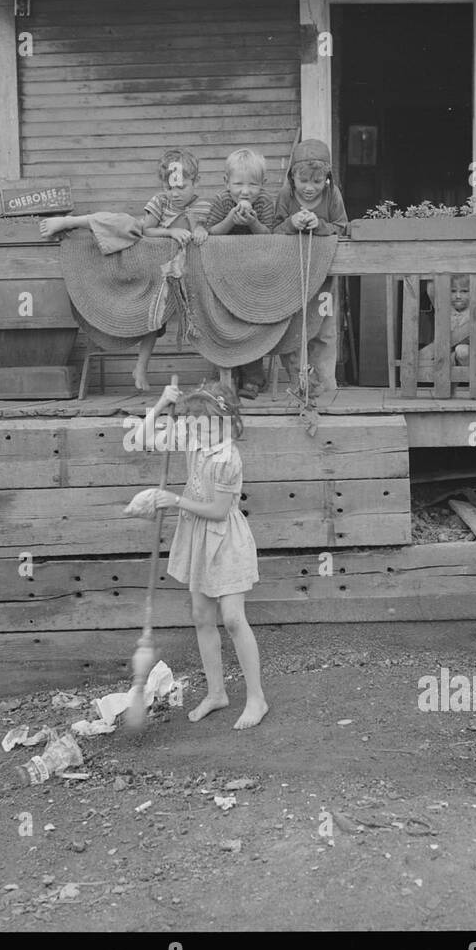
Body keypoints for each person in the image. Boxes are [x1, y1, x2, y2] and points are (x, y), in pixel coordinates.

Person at [138, 379, 268, 729]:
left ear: (226, 422)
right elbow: (143, 439)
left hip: (225, 539)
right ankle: (216, 693)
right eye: (195, 422)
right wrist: (161, 402)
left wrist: (175, 500)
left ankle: (256, 698)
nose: (200, 428)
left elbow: (218, 510)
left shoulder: (228, 458)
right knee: (200, 615)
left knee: (233, 618)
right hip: (196, 537)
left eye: (208, 422)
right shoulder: (195, 438)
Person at [39, 149, 210, 390]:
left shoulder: (201, 206)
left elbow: (201, 231)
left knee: (156, 316)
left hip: (174, 274)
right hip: (145, 258)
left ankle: (141, 367)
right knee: (125, 222)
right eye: (170, 187)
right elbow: (145, 231)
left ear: (196, 182)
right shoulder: (161, 201)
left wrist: (201, 230)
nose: (175, 193)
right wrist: (170, 232)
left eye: (182, 187)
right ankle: (71, 221)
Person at [194, 148, 277, 399]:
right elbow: (213, 233)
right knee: (222, 324)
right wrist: (231, 218)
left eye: (253, 184)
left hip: (253, 272)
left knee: (251, 324)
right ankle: (224, 377)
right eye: (238, 184)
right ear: (226, 182)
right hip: (224, 273)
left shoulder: (264, 202)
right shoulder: (221, 201)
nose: (245, 191)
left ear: (263, 184)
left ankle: (253, 378)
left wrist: (252, 222)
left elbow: (269, 236)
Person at [272, 138, 350, 395]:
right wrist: (291, 223)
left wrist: (320, 225)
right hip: (291, 276)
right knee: (295, 330)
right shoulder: (285, 195)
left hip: (324, 276)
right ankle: (299, 384)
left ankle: (326, 385)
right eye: (303, 181)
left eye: (317, 182)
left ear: (327, 178)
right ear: (292, 177)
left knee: (325, 330)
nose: (310, 188)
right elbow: (273, 230)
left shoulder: (332, 195)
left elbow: (343, 227)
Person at [415, 274, 476, 386]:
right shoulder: (445, 308)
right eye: (453, 291)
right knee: (440, 355)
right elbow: (431, 290)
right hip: (450, 352)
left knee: (461, 350)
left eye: (464, 291)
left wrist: (467, 338)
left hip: (473, 353)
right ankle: (449, 385)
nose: (458, 296)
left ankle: (474, 381)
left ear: (472, 292)